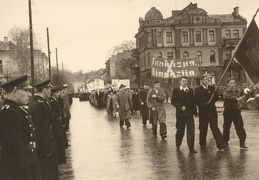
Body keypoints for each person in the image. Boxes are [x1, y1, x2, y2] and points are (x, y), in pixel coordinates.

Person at [0, 75, 41, 180]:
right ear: (14, 92)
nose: (30, 94)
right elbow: (15, 150)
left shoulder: (18, 110)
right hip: (19, 172)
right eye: (26, 90)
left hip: (29, 165)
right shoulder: (9, 113)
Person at [29, 79, 59, 180]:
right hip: (44, 148)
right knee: (49, 173)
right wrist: (48, 150)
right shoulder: (40, 105)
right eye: (49, 89)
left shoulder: (36, 102)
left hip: (40, 145)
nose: (50, 92)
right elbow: (42, 129)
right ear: (45, 90)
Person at [195, 75, 227, 151]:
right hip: (203, 112)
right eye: (204, 79)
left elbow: (215, 98)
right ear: (201, 81)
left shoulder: (212, 88)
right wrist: (204, 104)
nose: (206, 81)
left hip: (212, 111)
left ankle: (220, 144)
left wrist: (212, 100)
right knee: (203, 128)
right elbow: (196, 101)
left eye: (207, 79)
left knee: (214, 127)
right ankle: (202, 144)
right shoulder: (197, 89)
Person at [171, 76, 198, 153]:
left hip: (189, 114)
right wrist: (180, 107)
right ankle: (178, 144)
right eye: (183, 81)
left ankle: (191, 147)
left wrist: (195, 113)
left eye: (186, 81)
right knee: (180, 130)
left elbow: (193, 102)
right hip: (180, 115)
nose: (185, 82)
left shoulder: (190, 90)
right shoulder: (176, 90)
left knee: (191, 131)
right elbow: (173, 101)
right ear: (180, 82)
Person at [223, 78, 247, 149]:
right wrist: (236, 98)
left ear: (235, 84)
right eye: (230, 83)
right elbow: (227, 96)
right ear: (228, 84)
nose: (232, 84)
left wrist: (240, 105)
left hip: (236, 111)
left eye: (233, 83)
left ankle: (242, 142)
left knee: (240, 126)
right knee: (226, 127)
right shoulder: (225, 91)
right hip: (228, 111)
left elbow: (242, 99)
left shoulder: (238, 91)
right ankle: (225, 141)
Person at [48, 85, 67, 169]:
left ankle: (60, 163)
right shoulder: (52, 102)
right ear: (54, 93)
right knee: (58, 145)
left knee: (60, 145)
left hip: (58, 125)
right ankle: (59, 163)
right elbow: (54, 116)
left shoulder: (54, 101)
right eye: (57, 92)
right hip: (56, 126)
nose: (59, 94)